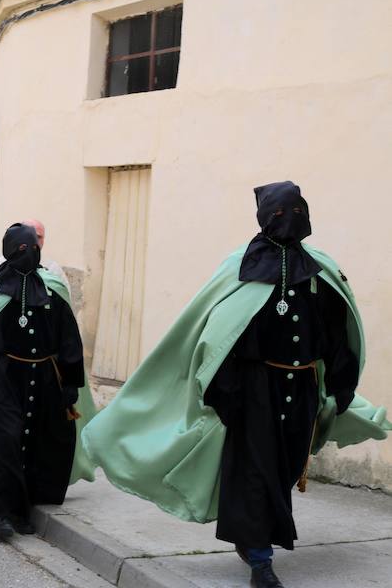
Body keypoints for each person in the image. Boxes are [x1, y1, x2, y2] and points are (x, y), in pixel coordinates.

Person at [82, 182, 391, 588]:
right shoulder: (238, 267)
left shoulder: (321, 270)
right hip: (254, 390)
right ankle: (261, 558)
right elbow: (216, 330)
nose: (290, 220)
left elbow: (334, 332)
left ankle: (251, 538)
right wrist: (225, 392)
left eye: (296, 212)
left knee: (284, 469)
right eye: (280, 213)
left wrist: (340, 383)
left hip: (301, 390)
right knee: (255, 471)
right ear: (264, 216)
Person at [0, 223, 97, 540]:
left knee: (33, 446)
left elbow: (69, 339)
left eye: (32, 248)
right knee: (6, 445)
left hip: (43, 379)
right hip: (3, 378)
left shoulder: (53, 289)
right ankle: (1, 513)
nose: (27, 255)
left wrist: (70, 384)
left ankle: (22, 512)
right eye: (21, 249)